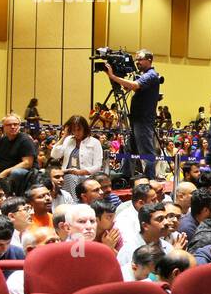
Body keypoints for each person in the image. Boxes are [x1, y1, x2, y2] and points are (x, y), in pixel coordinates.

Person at [105, 49, 162, 180]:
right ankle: (125, 176)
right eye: (136, 60)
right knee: (130, 149)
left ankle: (149, 179)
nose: (137, 62)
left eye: (140, 59)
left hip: (143, 120)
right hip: (136, 119)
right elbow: (131, 87)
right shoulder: (144, 75)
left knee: (147, 152)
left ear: (149, 60)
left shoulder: (151, 75)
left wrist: (113, 77)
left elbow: (135, 85)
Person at [49, 114, 102, 201]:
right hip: (66, 173)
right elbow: (54, 155)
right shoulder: (68, 140)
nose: (76, 133)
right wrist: (64, 136)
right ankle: (68, 202)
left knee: (71, 177)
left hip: (86, 176)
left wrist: (81, 172)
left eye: (79, 129)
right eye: (73, 130)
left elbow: (98, 166)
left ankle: (74, 202)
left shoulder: (94, 142)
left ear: (85, 129)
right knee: (66, 177)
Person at [0, 113, 37, 196]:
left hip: (22, 174)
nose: (13, 127)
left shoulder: (25, 140)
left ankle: (12, 197)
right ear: (4, 127)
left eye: (15, 124)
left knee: (16, 173)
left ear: (19, 126)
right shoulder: (1, 141)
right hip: (1, 174)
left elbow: (27, 163)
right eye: (9, 125)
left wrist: (6, 172)